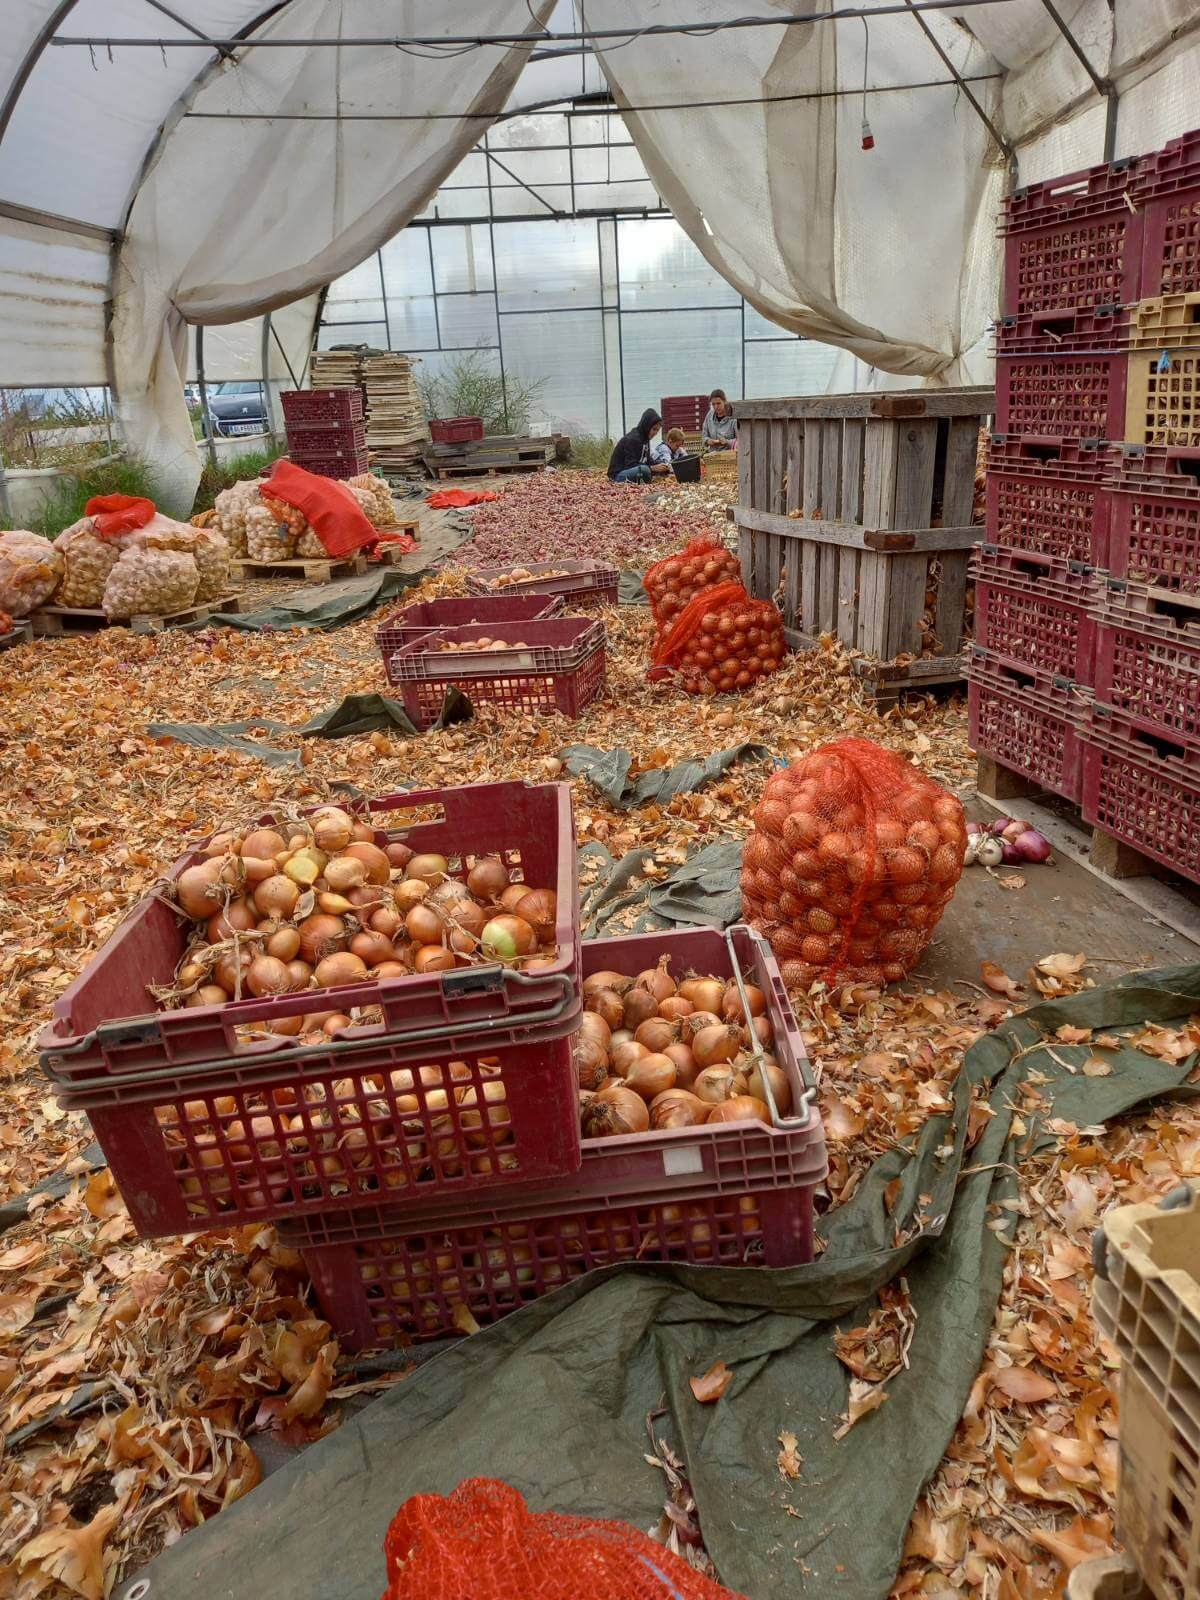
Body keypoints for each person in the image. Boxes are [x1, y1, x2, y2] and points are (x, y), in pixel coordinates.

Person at [607, 408, 662, 483]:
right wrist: (651, 468)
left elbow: (647, 460)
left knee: (648, 468)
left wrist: (662, 466)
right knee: (644, 470)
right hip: (618, 475)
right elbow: (630, 465)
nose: (655, 433)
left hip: (633, 471)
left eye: (657, 430)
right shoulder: (633, 439)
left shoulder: (645, 439)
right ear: (647, 426)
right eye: (654, 429)